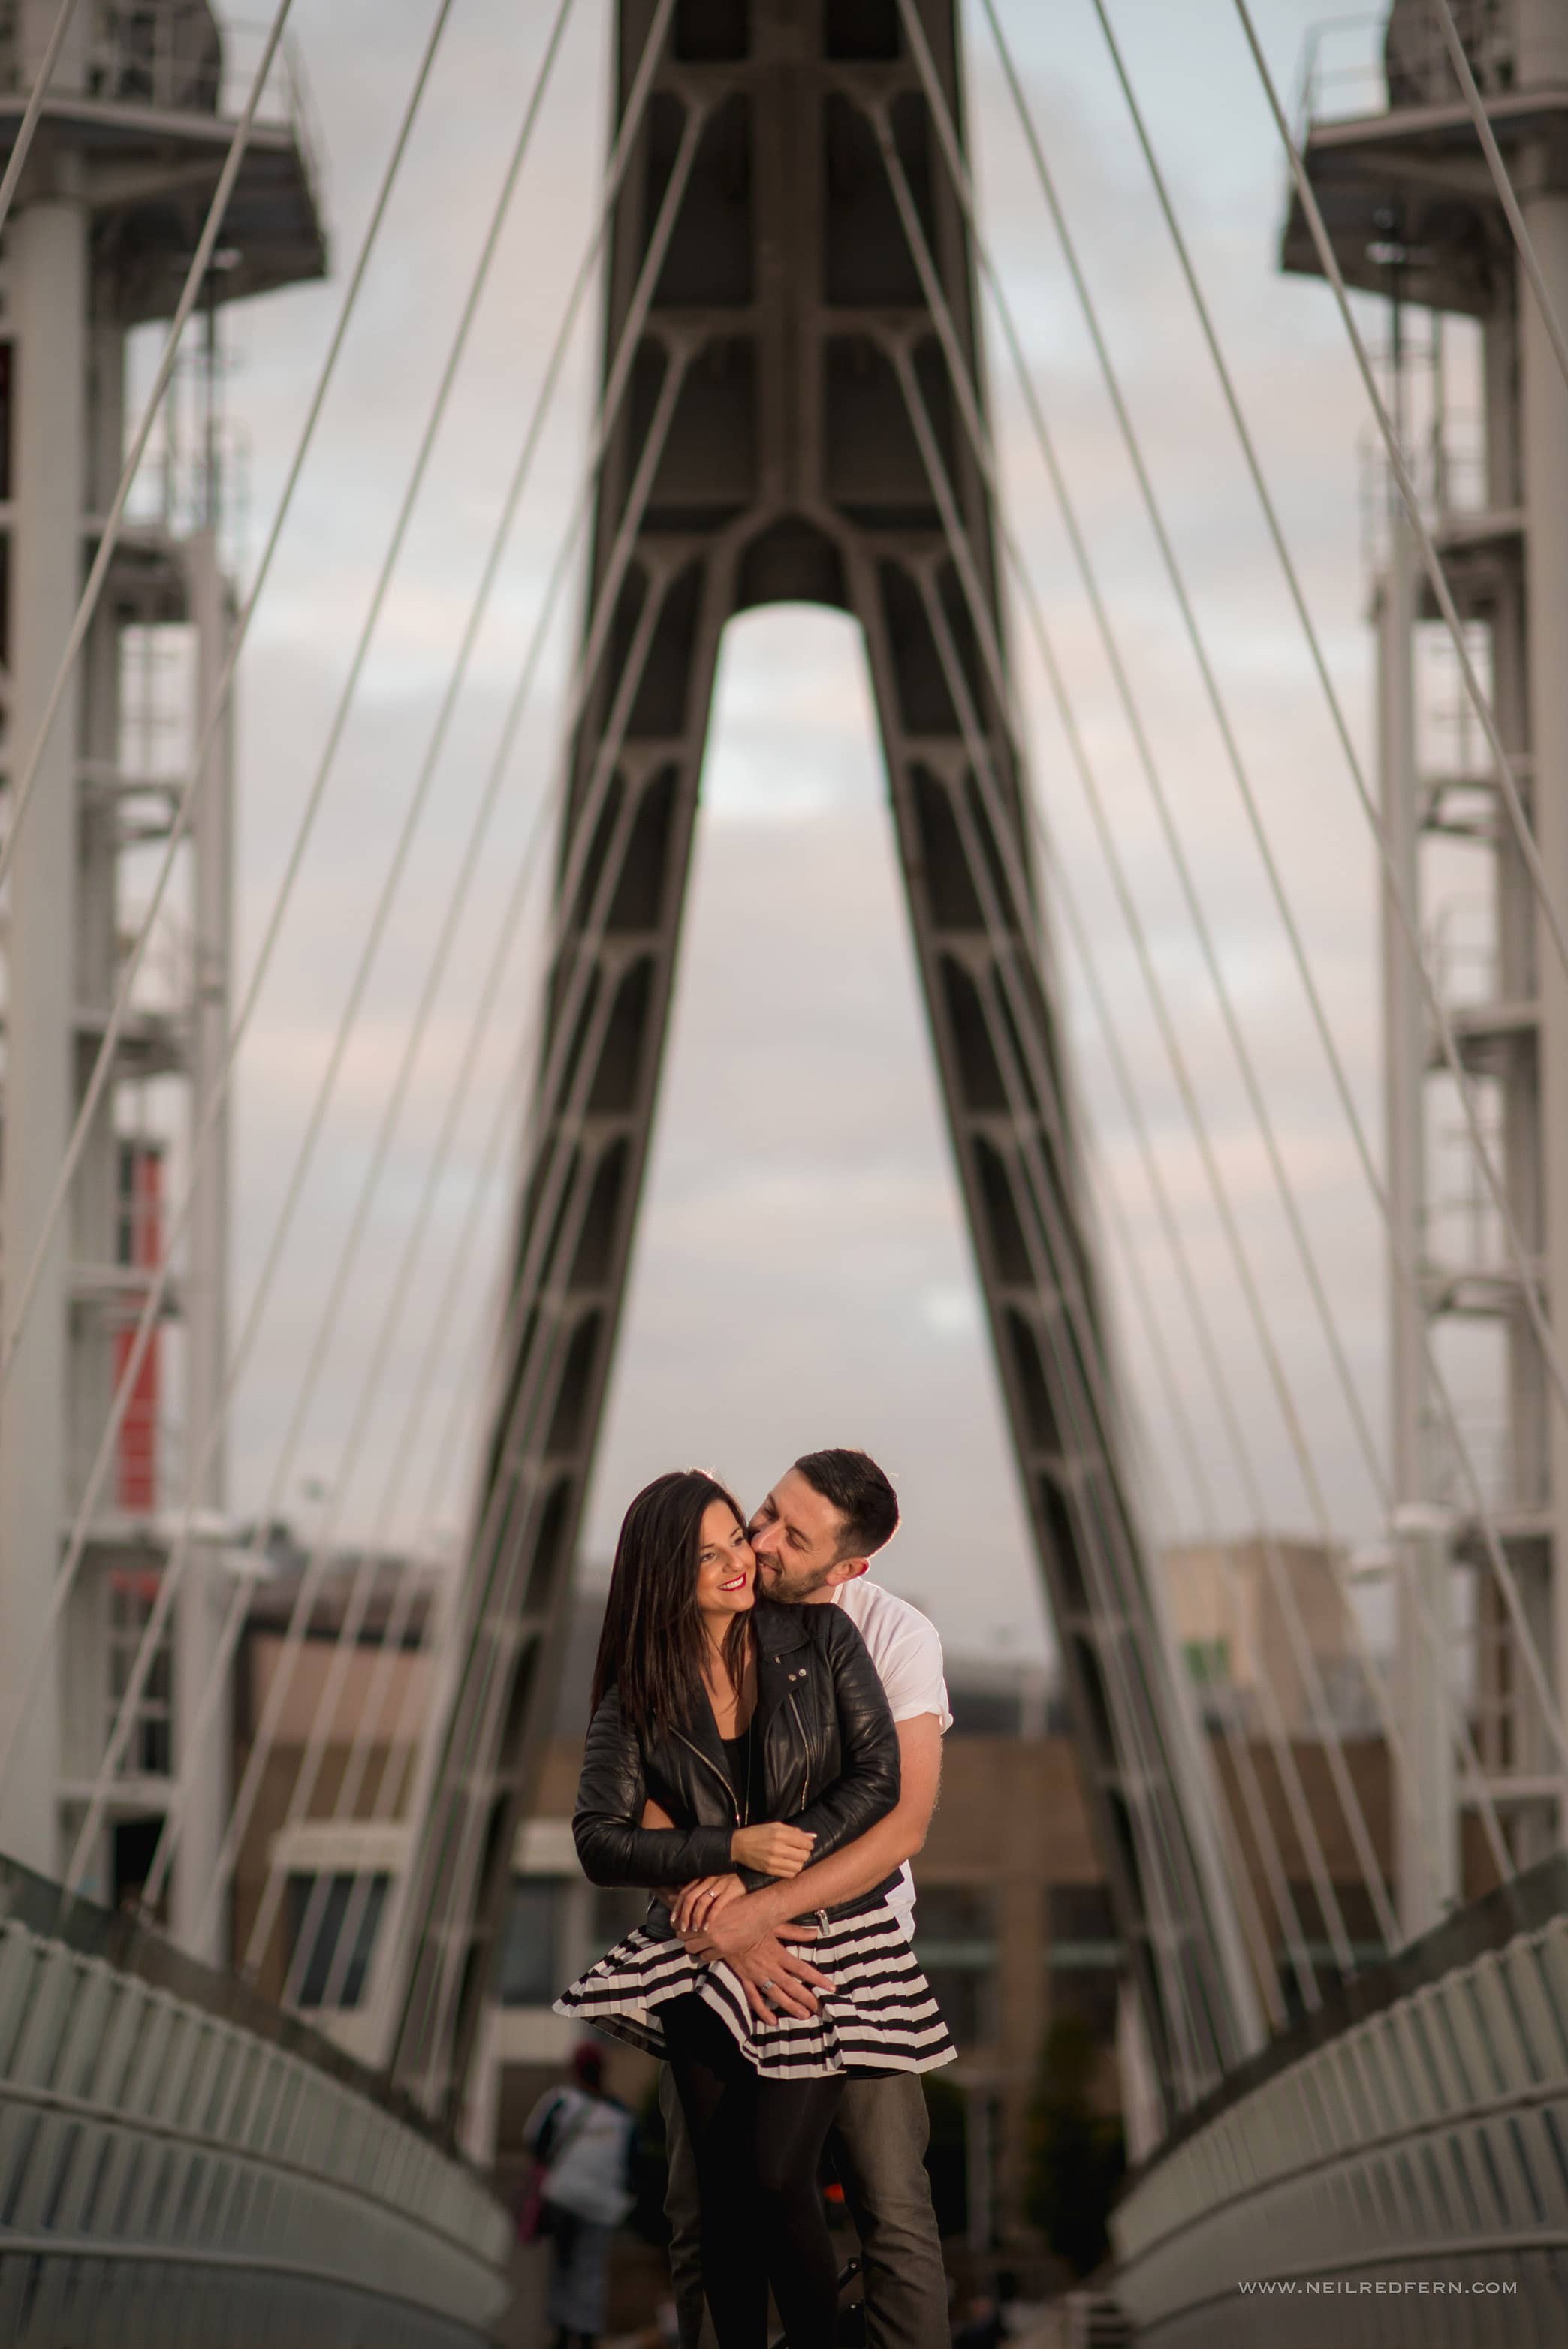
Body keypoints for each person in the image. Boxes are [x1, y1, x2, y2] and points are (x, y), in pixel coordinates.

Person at [556, 1468, 954, 2349]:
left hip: (850, 1946)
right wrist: (724, 1905)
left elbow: (897, 1817)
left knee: (887, 2207)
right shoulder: (654, 1675)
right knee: (704, 2206)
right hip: (711, 1948)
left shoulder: (865, 1634)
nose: (760, 1546)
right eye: (759, 1517)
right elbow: (636, 1815)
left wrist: (759, 1904)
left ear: (847, 1567)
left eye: (782, 1536)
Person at [523, 2041, 638, 2349]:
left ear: (574, 2068)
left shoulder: (561, 2101)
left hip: (562, 2195)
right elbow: (633, 2164)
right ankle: (587, 2333)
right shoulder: (622, 2114)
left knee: (562, 2262)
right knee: (591, 2267)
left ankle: (561, 2333)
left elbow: (535, 2141)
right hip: (602, 2204)